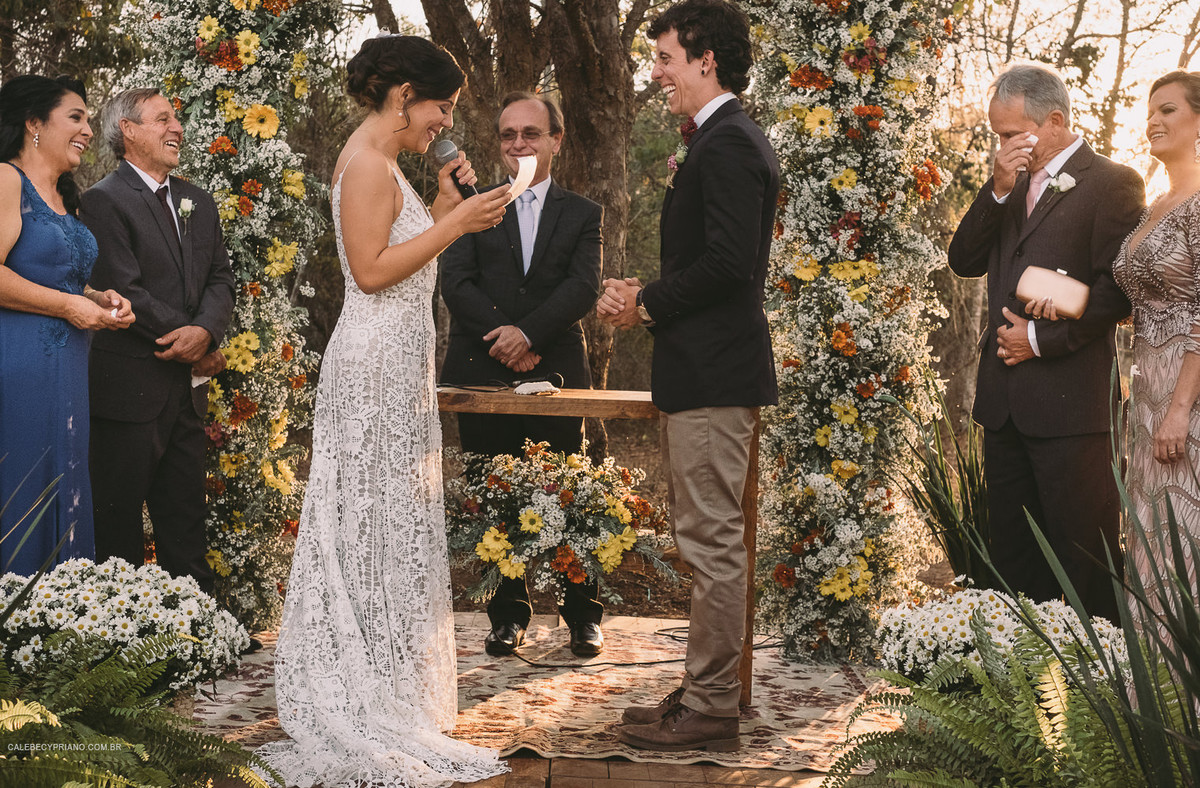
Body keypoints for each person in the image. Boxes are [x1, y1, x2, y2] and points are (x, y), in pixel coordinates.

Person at [255, 35, 510, 787]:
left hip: (398, 364)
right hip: (370, 368)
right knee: (365, 517)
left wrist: (446, 208)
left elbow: (407, 259)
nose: (445, 122)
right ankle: (358, 689)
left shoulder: (388, 164)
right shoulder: (367, 163)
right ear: (404, 96)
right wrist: (455, 225)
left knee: (386, 519)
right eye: (442, 106)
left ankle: (385, 678)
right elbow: (369, 274)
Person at [596, 0, 779, 752]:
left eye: (665, 57)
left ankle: (710, 707)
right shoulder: (718, 138)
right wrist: (647, 295)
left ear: (706, 59)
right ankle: (702, 691)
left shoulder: (729, 142)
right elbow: (712, 259)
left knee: (712, 544)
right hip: (704, 371)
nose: (656, 71)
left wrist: (645, 302)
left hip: (714, 375)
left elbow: (730, 266)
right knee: (705, 540)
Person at [946, 63, 1144, 621]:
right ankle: (1017, 676)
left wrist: (1037, 339)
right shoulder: (1006, 184)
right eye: (998, 136)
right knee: (1012, 570)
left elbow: (1117, 293)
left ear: (1054, 121)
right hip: (1004, 408)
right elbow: (963, 260)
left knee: (1085, 565)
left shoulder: (1113, 182)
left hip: (1072, 410)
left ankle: (1097, 676)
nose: (1003, 146)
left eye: (1013, 134)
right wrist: (996, 189)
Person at [440, 90, 605, 658]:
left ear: (556, 140)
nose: (518, 144)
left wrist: (528, 335)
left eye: (531, 133)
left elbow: (582, 286)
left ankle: (582, 614)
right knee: (492, 493)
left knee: (570, 490)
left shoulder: (583, 213)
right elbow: (456, 282)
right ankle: (507, 614)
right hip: (480, 366)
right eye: (508, 135)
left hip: (555, 367)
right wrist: (505, 337)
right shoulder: (473, 206)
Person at [79, 88, 233, 595]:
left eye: (176, 119)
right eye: (163, 118)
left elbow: (220, 278)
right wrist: (192, 339)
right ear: (128, 129)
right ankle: (123, 629)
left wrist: (205, 332)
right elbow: (124, 290)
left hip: (186, 394)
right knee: (118, 526)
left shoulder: (198, 201)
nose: (177, 128)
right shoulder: (102, 201)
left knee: (186, 522)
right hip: (127, 394)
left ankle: (195, 624)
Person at [0, 75, 133, 576]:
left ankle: (61, 610)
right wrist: (69, 307)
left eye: (88, 121)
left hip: (70, 368)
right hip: (19, 365)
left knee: (65, 481)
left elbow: (58, 276)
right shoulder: (7, 180)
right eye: (75, 117)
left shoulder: (64, 197)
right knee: (23, 484)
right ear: (34, 123)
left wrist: (98, 298)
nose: (87, 131)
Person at [1113, 70, 1200, 617]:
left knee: (1184, 532)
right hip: (1145, 391)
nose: (1153, 121)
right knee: (1148, 537)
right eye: (1149, 112)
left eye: (1168, 110)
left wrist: (1180, 410)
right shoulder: (1155, 205)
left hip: (1186, 396)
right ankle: (1149, 668)